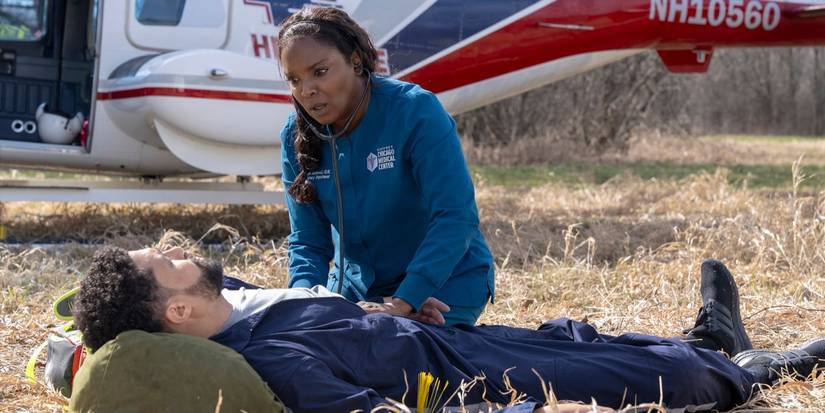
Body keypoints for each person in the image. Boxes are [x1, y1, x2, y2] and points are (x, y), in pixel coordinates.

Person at [74, 246, 824, 413]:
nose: (181, 250)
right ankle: (761, 363)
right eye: (166, 261)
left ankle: (713, 333)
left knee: (603, 345)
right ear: (177, 311)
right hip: (481, 381)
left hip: (469, 337)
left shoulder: (229, 298)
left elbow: (92, 328)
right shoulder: (269, 364)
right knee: (678, 383)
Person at [276, 6, 494, 326]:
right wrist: (300, 305)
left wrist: (407, 300)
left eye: (320, 71)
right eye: (294, 79)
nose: (306, 90)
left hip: (444, 282)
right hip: (358, 288)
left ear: (355, 59)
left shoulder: (415, 111)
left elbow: (455, 216)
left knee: (397, 352)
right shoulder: (295, 136)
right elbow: (308, 241)